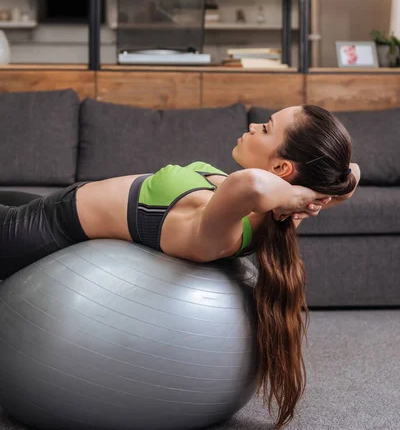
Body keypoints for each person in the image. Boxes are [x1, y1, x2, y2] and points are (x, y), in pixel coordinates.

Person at [0, 104, 360, 430]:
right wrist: (306, 194)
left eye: (266, 128)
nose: (253, 125)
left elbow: (250, 183)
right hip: (48, 205)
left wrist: (297, 195)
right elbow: (350, 176)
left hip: (38, 232)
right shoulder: (273, 217)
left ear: (280, 169)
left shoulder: (219, 230)